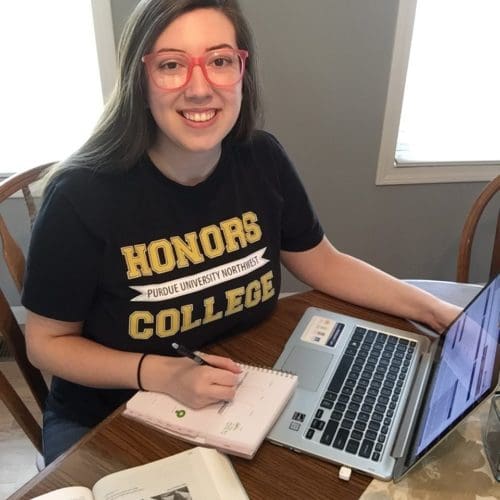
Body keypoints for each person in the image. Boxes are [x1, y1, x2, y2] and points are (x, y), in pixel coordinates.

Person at [22, 0, 460, 466]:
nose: (199, 87)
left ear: (241, 72)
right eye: (172, 65)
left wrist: (439, 314)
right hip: (108, 415)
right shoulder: (80, 195)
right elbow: (46, 345)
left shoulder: (261, 158)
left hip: (237, 389)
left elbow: (323, 262)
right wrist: (158, 373)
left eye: (219, 61)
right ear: (139, 78)